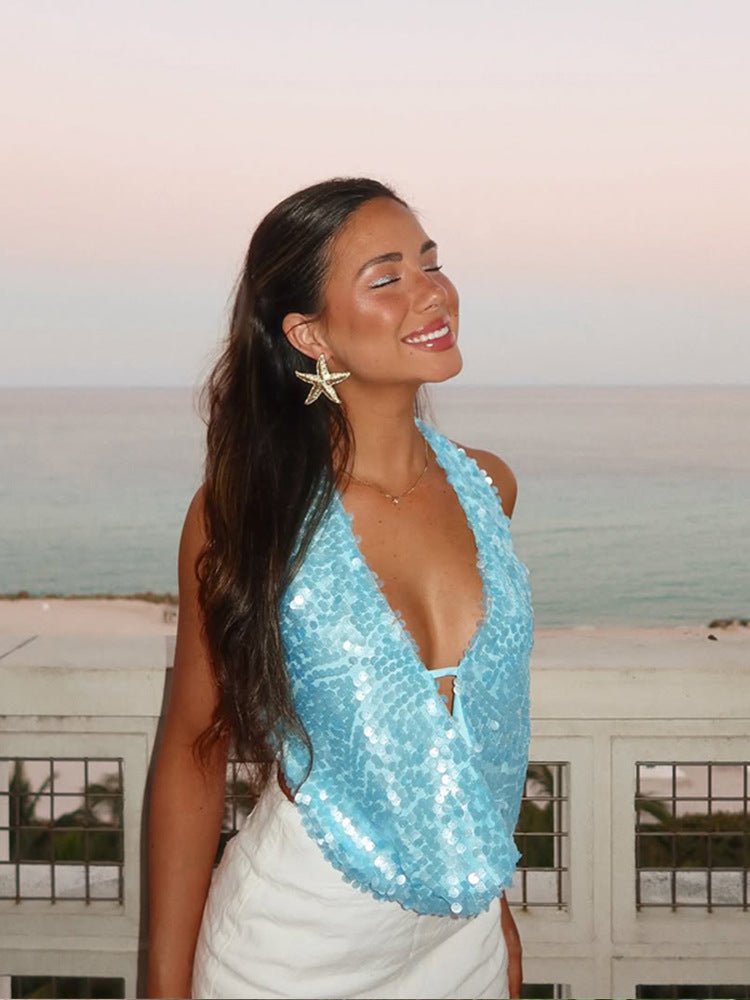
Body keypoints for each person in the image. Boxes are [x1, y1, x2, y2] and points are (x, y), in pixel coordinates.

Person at [146, 177, 534, 1000]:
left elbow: (468, 746)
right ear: (310, 334)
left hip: (462, 946)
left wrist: (495, 913)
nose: (432, 294)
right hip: (291, 950)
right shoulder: (248, 516)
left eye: (431, 263)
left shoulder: (489, 489)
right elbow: (192, 749)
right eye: (387, 278)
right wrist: (162, 989)